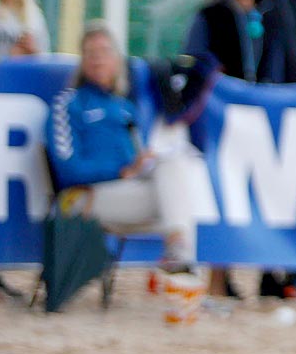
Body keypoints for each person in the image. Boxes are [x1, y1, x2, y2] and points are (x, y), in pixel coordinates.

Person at [47, 22, 200, 276]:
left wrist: (142, 163)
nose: (98, 60)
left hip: (126, 194)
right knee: (179, 201)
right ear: (82, 61)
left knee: (173, 166)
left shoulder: (124, 108)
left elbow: (134, 166)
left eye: (105, 52)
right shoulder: (69, 104)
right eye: (91, 54)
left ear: (117, 60)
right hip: (84, 197)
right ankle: (183, 266)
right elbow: (68, 169)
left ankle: (179, 255)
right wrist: (121, 170)